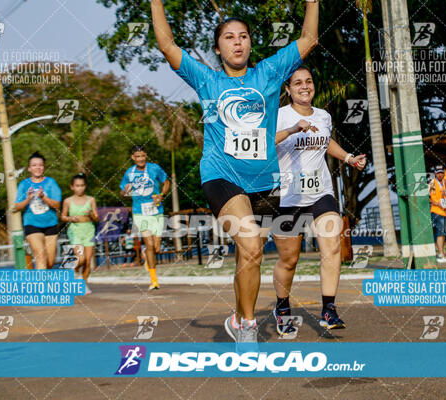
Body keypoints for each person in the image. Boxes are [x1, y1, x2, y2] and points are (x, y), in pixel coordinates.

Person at [151, 0, 319, 343]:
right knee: (252, 246)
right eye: (229, 37)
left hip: (264, 181)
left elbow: (310, 38)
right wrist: (156, 2)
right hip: (221, 176)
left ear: (250, 44)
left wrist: (312, 3)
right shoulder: (206, 79)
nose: (237, 42)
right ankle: (247, 324)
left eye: (243, 36)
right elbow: (167, 45)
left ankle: (239, 316)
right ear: (218, 48)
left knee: (250, 256)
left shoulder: (269, 72)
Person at [272, 66, 367, 336]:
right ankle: (282, 306)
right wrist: (292, 129)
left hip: (321, 192)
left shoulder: (323, 116)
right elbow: (265, 144)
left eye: (309, 81)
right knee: (289, 260)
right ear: (288, 90)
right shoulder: (279, 116)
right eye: (298, 83)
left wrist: (349, 158)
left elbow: (325, 144)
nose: (305, 86)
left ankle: (328, 309)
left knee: (332, 245)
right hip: (288, 196)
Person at [120, 145, 169, 290]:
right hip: (139, 212)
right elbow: (122, 192)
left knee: (157, 248)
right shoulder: (129, 173)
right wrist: (125, 191)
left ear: (146, 156)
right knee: (149, 244)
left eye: (143, 156)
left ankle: (147, 255)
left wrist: (162, 195)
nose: (140, 159)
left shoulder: (154, 168)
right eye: (137, 157)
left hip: (157, 211)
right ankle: (154, 281)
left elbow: (166, 182)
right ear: (133, 158)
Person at [14, 152, 62, 269]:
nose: (38, 168)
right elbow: (17, 206)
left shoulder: (51, 182)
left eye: (40, 165)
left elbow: (57, 205)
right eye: (34, 165)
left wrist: (43, 197)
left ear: (43, 167)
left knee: (49, 262)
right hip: (32, 224)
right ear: (29, 168)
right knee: (41, 257)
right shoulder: (24, 184)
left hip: (50, 224)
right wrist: (28, 199)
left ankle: (46, 284)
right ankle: (41, 287)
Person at [61, 173, 98, 294]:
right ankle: (75, 271)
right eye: (77, 186)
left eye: (82, 185)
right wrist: (71, 218)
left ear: (85, 186)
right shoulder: (67, 201)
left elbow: (97, 218)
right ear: (72, 187)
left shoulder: (91, 200)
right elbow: (63, 217)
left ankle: (84, 284)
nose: (80, 188)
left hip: (89, 230)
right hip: (75, 230)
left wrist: (91, 215)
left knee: (88, 261)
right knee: (80, 259)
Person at [429, 165, 446, 263]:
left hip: (443, 211)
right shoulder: (433, 183)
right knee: (440, 233)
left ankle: (441, 253)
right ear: (435, 173)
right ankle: (440, 254)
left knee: (443, 233)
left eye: (442, 172)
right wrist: (436, 203)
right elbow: (427, 197)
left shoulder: (443, 182)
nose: (440, 174)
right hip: (436, 211)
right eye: (438, 172)